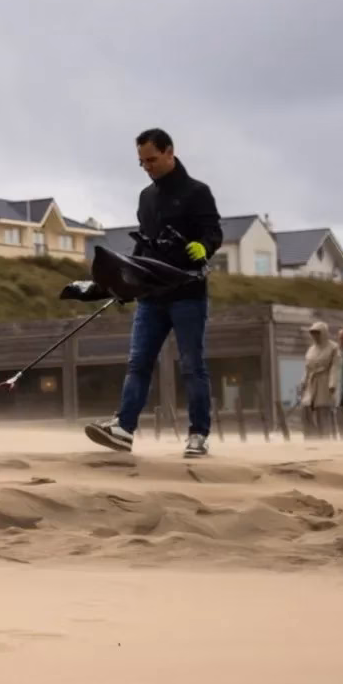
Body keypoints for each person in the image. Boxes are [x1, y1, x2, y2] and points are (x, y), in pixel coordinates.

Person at [85, 128, 223, 458]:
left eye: (152, 159)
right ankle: (123, 430)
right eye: (142, 162)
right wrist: (124, 278)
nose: (147, 166)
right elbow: (142, 244)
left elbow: (213, 232)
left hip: (188, 292)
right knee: (138, 363)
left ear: (169, 152)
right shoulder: (146, 197)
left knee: (192, 365)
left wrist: (202, 247)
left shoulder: (197, 192)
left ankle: (198, 435)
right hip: (151, 295)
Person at [298, 320, 341, 436]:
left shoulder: (333, 347)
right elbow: (307, 368)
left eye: (317, 333)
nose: (315, 335)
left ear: (323, 333)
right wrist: (303, 381)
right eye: (313, 333)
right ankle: (310, 437)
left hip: (324, 383)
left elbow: (335, 367)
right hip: (310, 385)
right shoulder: (311, 349)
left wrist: (332, 384)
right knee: (306, 409)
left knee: (323, 411)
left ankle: (325, 436)